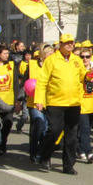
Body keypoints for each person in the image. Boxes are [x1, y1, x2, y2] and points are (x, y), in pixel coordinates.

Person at [36, 34, 87, 174]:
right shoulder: (51, 60)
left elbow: (84, 77)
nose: (70, 45)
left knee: (71, 136)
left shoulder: (77, 60)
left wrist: (92, 73)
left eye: (71, 43)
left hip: (73, 103)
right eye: (67, 43)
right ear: (60, 44)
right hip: (56, 102)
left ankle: (68, 165)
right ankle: (45, 155)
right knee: (54, 131)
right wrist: (39, 100)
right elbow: (42, 81)